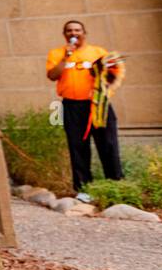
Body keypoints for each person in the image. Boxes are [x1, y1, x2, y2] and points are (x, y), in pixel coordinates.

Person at [46, 19, 125, 192]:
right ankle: (84, 190)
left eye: (77, 30)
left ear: (84, 33)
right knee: (77, 147)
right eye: (69, 31)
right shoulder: (56, 53)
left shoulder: (98, 51)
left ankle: (117, 187)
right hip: (72, 106)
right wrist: (65, 57)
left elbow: (114, 73)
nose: (73, 33)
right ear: (64, 34)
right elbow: (52, 75)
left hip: (98, 105)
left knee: (108, 145)